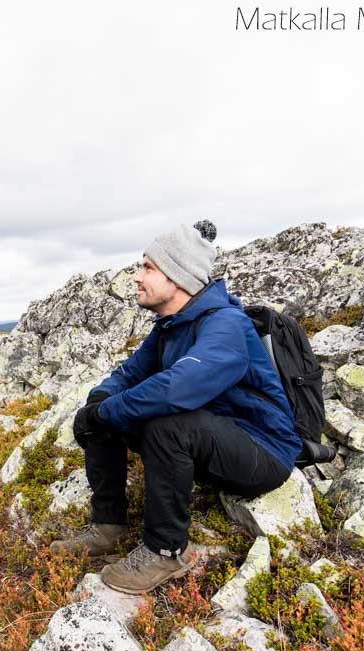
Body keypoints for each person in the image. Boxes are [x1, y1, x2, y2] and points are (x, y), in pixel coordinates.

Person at [50, 222, 302, 595]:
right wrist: (99, 405)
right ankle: (108, 526)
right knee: (100, 412)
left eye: (148, 268)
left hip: (263, 450)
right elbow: (128, 375)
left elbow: (179, 387)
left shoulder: (227, 324)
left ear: (179, 276)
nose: (137, 277)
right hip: (212, 438)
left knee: (165, 424)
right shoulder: (169, 327)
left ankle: (166, 550)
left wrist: (108, 410)